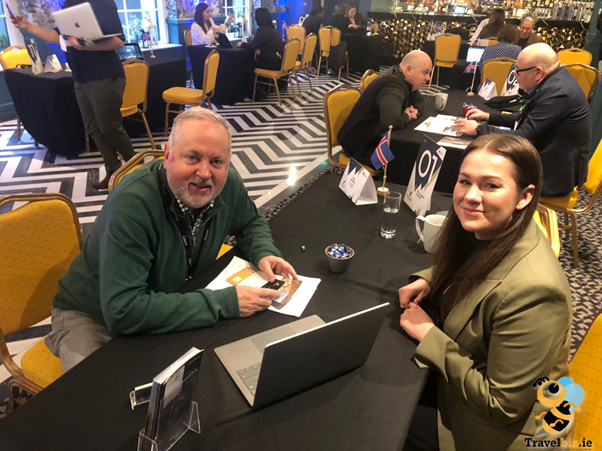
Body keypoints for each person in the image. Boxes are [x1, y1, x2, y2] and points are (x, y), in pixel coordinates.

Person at [45, 108, 298, 372]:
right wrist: (224, 302)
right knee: (96, 394)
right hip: (91, 315)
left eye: (216, 162)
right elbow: (123, 311)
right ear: (167, 155)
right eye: (192, 158)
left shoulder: (227, 185)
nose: (205, 173)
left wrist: (263, 251)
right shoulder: (132, 204)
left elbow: (250, 222)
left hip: (168, 296)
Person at [400, 134, 572, 451]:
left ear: (524, 196)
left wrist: (429, 335)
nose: (470, 196)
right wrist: (432, 279)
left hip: (494, 432)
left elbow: (501, 405)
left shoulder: (536, 292)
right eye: (465, 181)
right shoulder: (497, 227)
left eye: (490, 185)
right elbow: (479, 264)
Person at [11, 0, 135, 191]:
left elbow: (118, 41)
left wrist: (87, 45)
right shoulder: (69, 4)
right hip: (80, 78)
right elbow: (58, 37)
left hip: (104, 75)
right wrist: (28, 26)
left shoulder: (103, 2)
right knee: (93, 127)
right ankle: (113, 169)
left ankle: (137, 170)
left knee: (109, 127)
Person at [454, 43, 590, 197]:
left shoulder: (558, 94)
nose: (514, 74)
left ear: (538, 72)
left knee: (486, 175)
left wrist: (479, 129)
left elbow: (523, 137)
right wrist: (488, 117)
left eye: (518, 70)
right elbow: (525, 118)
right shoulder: (553, 82)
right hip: (550, 161)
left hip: (554, 176)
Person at [338, 50, 432, 167]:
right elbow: (390, 123)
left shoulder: (403, 78)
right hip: (360, 145)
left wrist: (415, 111)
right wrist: (407, 116)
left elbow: (420, 102)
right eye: (425, 73)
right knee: (409, 159)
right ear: (408, 70)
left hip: (371, 138)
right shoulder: (393, 87)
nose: (428, 78)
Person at [237, 8, 285, 99]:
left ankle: (255, 92)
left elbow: (254, 45)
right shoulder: (272, 29)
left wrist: (242, 44)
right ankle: (263, 88)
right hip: (279, 62)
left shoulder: (263, 30)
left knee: (248, 65)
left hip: (272, 63)